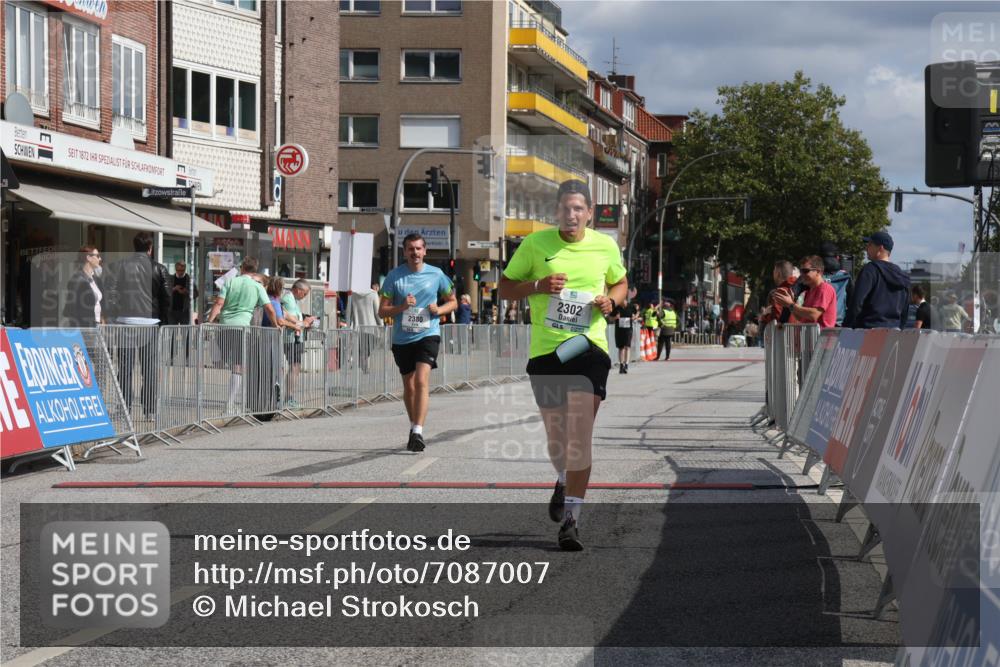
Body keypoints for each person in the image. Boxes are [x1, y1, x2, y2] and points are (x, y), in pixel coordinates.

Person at [498, 179, 628, 552]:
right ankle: (561, 478)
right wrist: (537, 285)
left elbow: (620, 284)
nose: (571, 214)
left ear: (589, 212)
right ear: (556, 211)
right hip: (548, 352)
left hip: (589, 349)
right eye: (565, 208)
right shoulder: (535, 244)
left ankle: (572, 519)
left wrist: (611, 303)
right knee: (559, 439)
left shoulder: (604, 245)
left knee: (579, 435)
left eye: (578, 209)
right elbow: (505, 288)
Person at [379, 233, 457, 452]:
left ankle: (418, 431)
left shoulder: (437, 274)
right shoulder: (395, 277)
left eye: (418, 249)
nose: (415, 253)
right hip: (402, 338)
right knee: (409, 385)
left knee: (422, 379)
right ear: (404, 252)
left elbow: (453, 302)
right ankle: (414, 425)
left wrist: (439, 310)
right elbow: (381, 310)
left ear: (425, 251)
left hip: (428, 334)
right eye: (410, 249)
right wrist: (402, 307)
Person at [103, 232, 171, 419]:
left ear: (134, 246)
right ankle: (149, 410)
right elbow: (167, 297)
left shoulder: (119, 266)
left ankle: (124, 408)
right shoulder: (159, 268)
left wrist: (115, 314)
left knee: (125, 368)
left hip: (125, 322)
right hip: (150, 323)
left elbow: (110, 291)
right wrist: (164, 321)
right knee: (149, 368)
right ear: (150, 248)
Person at [206, 257, 280, 414]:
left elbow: (218, 304)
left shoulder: (231, 282)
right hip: (243, 328)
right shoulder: (257, 286)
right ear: (255, 269)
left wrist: (210, 321)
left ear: (241, 268)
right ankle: (230, 402)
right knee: (238, 366)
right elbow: (270, 309)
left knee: (225, 361)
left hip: (225, 326)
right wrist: (276, 325)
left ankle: (219, 361)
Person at [843, 231, 910, 329]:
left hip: (868, 331)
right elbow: (905, 312)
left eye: (870, 244)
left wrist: (847, 327)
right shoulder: (903, 276)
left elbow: (856, 303)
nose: (866, 248)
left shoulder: (870, 270)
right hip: (893, 332)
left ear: (880, 248)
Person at [774, 255, 838, 329]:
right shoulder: (809, 291)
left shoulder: (825, 288)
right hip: (811, 338)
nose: (802, 275)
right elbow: (801, 317)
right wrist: (788, 304)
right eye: (801, 271)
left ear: (818, 271)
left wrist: (790, 304)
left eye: (805, 271)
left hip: (821, 339)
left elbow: (813, 315)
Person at [280, 280, 317, 408]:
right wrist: (305, 322)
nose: (305, 296)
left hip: (295, 337)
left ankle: (289, 397)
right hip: (290, 338)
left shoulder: (293, 300)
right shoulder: (289, 299)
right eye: (305, 293)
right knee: (294, 366)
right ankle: (288, 397)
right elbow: (291, 319)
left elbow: (296, 320)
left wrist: (306, 322)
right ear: (298, 290)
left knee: (295, 367)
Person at [63, 246, 104, 327]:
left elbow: (98, 303)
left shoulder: (95, 279)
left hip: (96, 324)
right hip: (85, 327)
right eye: (98, 256)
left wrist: (101, 318)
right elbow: (71, 308)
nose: (100, 259)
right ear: (88, 258)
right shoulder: (77, 279)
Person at [349, 282, 383, 373]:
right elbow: (377, 312)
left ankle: (362, 361)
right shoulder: (373, 294)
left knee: (362, 347)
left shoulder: (354, 294)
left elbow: (350, 311)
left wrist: (349, 324)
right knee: (370, 345)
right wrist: (381, 326)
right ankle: (363, 361)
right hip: (371, 327)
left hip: (357, 326)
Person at [819, 242, 854, 326]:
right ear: (837, 258)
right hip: (837, 324)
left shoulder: (814, 275)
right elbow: (852, 302)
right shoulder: (845, 277)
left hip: (816, 324)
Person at [760, 261, 798, 328]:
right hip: (800, 334)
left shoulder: (781, 292)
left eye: (774, 271)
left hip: (785, 334)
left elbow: (777, 318)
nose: (773, 274)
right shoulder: (800, 288)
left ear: (778, 273)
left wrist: (765, 316)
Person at [611, 297, 634, 374]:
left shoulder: (631, 306)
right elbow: (610, 317)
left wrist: (634, 317)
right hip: (619, 330)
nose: (621, 303)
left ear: (626, 300)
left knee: (627, 347)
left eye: (622, 301)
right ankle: (621, 365)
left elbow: (637, 313)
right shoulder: (616, 307)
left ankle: (626, 365)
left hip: (628, 330)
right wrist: (615, 317)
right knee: (621, 348)